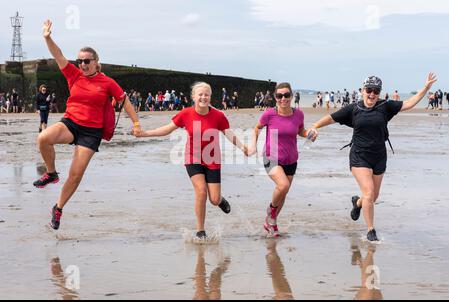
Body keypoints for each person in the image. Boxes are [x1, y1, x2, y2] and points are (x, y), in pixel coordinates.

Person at [33, 19, 142, 230]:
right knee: (43, 138)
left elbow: (124, 100)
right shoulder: (73, 74)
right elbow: (58, 55)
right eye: (79, 60)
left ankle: (58, 208)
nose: (82, 64)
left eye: (86, 61)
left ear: (95, 61)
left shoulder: (107, 82)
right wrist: (47, 37)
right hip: (71, 123)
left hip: (91, 132)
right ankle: (52, 173)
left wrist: (136, 123)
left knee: (76, 174)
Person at [307, 74, 437, 242]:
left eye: (376, 91)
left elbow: (409, 103)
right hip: (359, 157)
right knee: (368, 192)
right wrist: (314, 126)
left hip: (379, 157)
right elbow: (331, 118)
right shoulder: (353, 109)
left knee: (372, 197)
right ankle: (371, 231)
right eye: (369, 90)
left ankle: (358, 203)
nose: (372, 94)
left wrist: (426, 88)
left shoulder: (385, 106)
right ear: (363, 90)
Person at [137, 82, 248, 240]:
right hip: (193, 159)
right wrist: (144, 134)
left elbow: (228, 134)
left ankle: (219, 200)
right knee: (201, 191)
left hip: (212, 160)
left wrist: (243, 147)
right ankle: (200, 230)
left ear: (210, 97)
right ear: (194, 97)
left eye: (206, 95)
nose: (203, 97)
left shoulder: (218, 116)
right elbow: (167, 129)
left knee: (214, 199)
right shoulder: (186, 114)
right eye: (200, 94)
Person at [248, 82, 310, 237]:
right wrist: (253, 145)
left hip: (291, 158)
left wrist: (309, 134)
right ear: (275, 97)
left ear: (291, 95)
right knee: (283, 186)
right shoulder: (269, 114)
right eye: (279, 96)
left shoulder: (298, 114)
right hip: (271, 156)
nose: (283, 98)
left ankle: (271, 223)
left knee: (284, 193)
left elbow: (300, 130)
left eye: (286, 95)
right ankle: (271, 211)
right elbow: (256, 128)